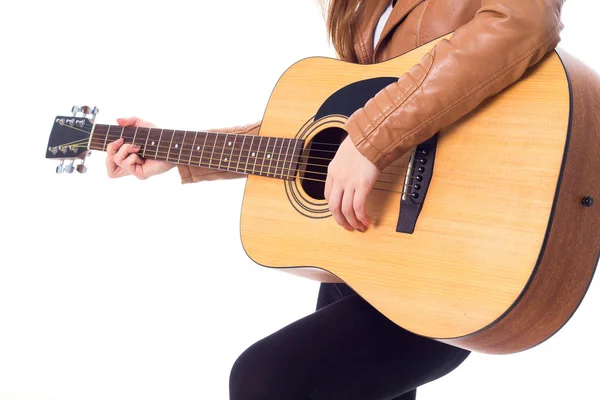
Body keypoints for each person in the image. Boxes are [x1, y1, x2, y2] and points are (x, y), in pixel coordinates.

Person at [105, 0, 565, 398]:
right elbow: (329, 132)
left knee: (266, 381)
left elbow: (524, 20)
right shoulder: (362, 8)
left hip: (455, 251)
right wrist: (174, 148)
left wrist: (371, 141)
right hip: (369, 243)